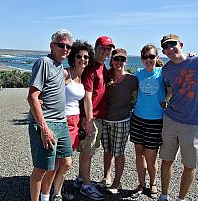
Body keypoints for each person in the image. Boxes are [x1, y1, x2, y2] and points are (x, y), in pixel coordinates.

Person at [157, 34, 198, 201]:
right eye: (166, 47)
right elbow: (169, 91)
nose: (170, 49)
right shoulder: (166, 69)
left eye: (172, 44)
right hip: (170, 119)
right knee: (166, 160)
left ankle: (181, 198)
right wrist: (164, 101)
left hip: (193, 123)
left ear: (181, 44)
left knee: (190, 164)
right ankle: (163, 195)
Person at [27, 29, 74, 201]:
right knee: (41, 168)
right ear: (52, 46)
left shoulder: (60, 66)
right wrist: (44, 128)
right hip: (47, 123)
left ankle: (46, 196)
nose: (65, 49)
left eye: (68, 46)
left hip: (61, 123)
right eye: (61, 45)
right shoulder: (44, 62)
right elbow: (32, 96)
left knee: (65, 162)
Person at [52, 40, 95, 201]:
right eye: (79, 56)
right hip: (63, 119)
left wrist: (87, 121)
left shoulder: (82, 77)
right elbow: (48, 90)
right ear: (73, 57)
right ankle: (52, 192)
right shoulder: (66, 74)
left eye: (86, 57)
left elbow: (85, 100)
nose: (82, 59)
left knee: (63, 161)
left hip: (75, 121)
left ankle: (55, 192)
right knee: (64, 161)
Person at [74, 36, 115, 201]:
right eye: (102, 48)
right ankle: (86, 184)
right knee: (87, 152)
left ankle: (79, 179)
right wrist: (89, 121)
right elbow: (87, 97)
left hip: (98, 117)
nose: (105, 52)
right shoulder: (91, 69)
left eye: (108, 49)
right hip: (91, 118)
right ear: (96, 48)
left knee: (87, 151)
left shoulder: (102, 67)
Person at [130, 44, 168, 199]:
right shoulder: (138, 73)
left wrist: (192, 56)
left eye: (151, 56)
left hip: (155, 120)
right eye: (145, 57)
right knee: (139, 154)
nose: (148, 60)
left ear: (157, 57)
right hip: (138, 118)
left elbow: (180, 66)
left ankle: (153, 184)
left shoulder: (163, 72)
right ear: (141, 59)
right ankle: (141, 183)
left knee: (150, 156)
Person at [101, 48, 138, 194]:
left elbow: (141, 95)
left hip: (122, 121)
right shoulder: (106, 75)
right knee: (107, 150)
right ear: (111, 60)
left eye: (122, 59)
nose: (119, 62)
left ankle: (117, 182)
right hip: (105, 120)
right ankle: (106, 177)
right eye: (116, 59)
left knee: (119, 153)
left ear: (126, 61)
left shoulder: (131, 79)